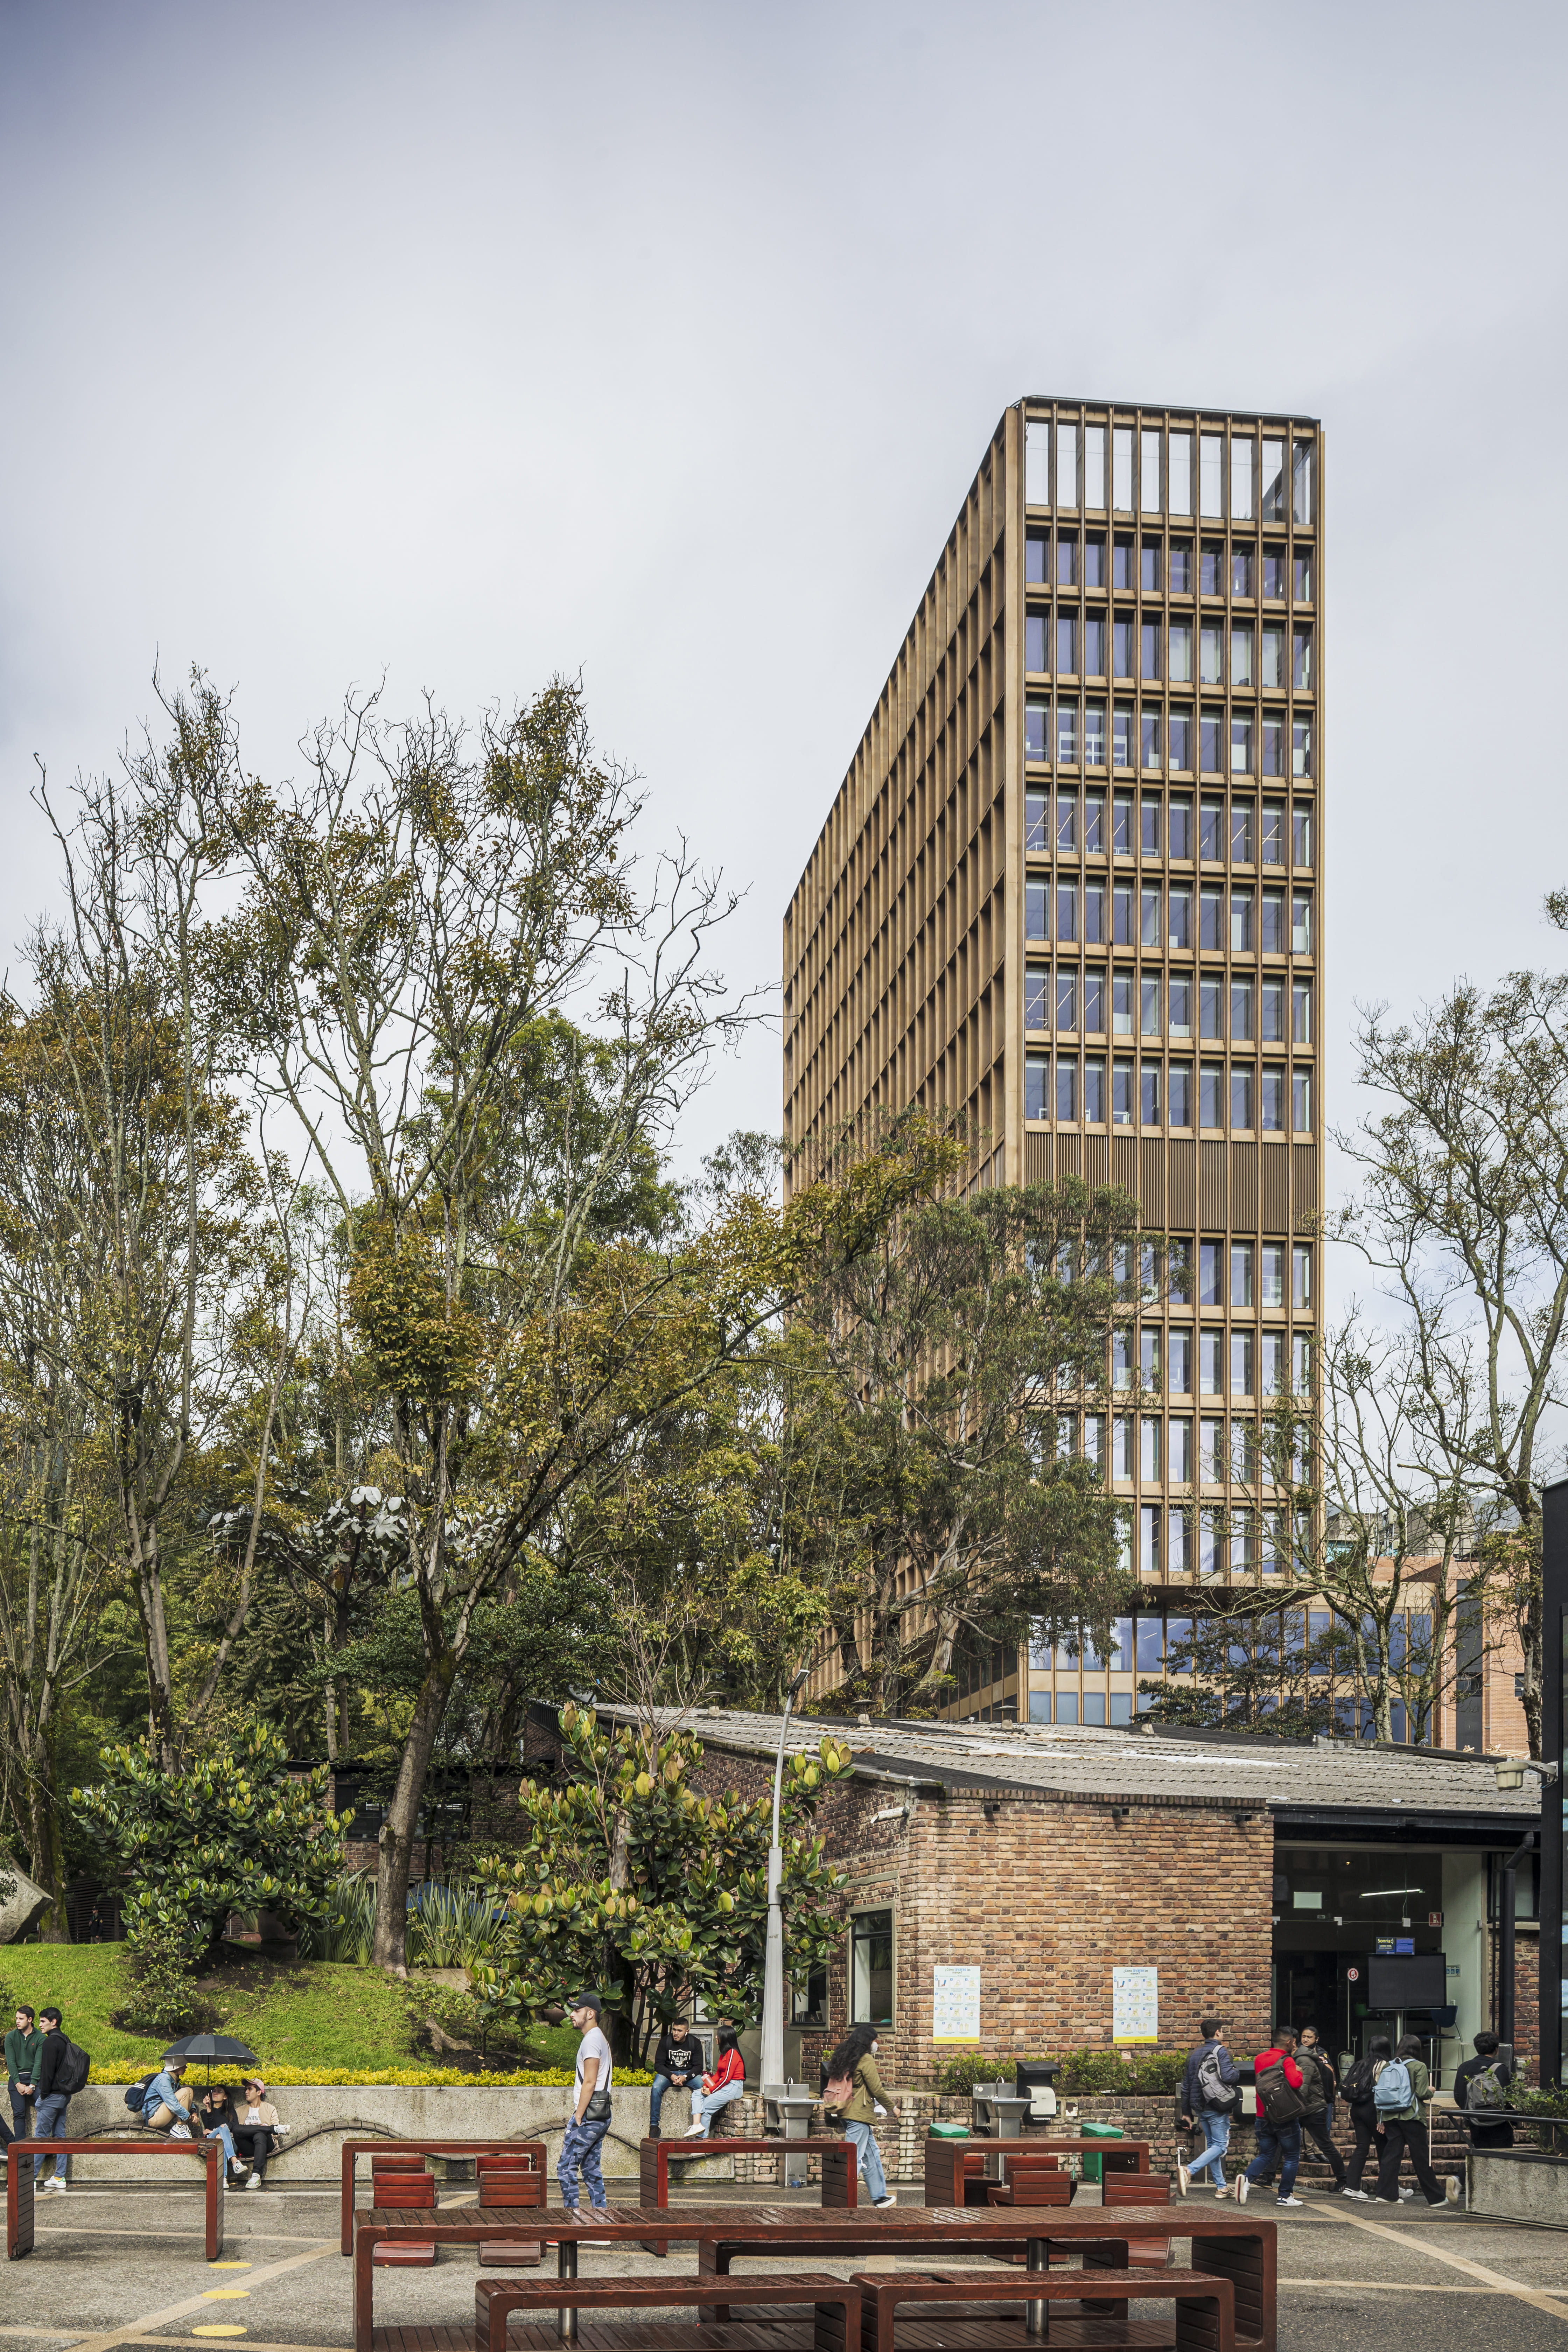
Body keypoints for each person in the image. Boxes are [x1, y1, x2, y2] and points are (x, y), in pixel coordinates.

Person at [822, 2022, 899, 2209]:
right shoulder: (865, 2059)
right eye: (875, 2041)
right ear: (868, 2042)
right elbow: (876, 2089)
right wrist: (893, 2108)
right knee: (854, 2157)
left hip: (847, 2112)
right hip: (858, 2114)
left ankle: (880, 2197)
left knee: (871, 2155)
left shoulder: (847, 2057)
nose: (876, 2044)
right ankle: (840, 2198)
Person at [1373, 2035, 1448, 2209]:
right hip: (1412, 2116)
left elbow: (1381, 2094)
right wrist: (1431, 2091)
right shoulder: (1419, 2066)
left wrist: (1381, 2119)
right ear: (1417, 2049)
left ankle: (1386, 2194)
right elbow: (1422, 2094)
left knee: (1391, 2156)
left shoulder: (1389, 2066)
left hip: (1391, 2116)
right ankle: (1436, 2198)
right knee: (1421, 2157)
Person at [1236, 2026, 1306, 2211]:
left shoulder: (1260, 2059)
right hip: (1284, 2117)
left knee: (1266, 2154)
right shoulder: (1287, 2060)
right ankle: (1285, 2196)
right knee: (1291, 2156)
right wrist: (1299, 2071)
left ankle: (1245, 2181)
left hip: (1262, 2115)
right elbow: (1296, 2083)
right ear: (1290, 2042)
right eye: (1294, 2042)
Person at [558, 1992, 614, 2216]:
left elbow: (590, 2082)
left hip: (589, 2115)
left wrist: (578, 2116)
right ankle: (601, 2223)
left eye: (577, 2010)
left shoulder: (591, 2040)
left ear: (590, 2014)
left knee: (565, 2169)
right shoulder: (599, 2037)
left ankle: (572, 2224)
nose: (572, 2014)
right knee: (591, 2170)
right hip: (601, 2113)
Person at [1176, 2017, 1241, 2198]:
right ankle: (1189, 2171)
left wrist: (1187, 2113)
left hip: (1200, 2107)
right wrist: (1237, 2071)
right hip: (1216, 2104)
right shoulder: (1220, 2051)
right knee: (1220, 2147)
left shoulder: (1194, 2054)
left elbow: (1186, 2085)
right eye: (1223, 2031)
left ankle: (1221, 2188)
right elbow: (1229, 2077)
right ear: (1218, 2032)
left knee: (1213, 2145)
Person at [1294, 2028, 1348, 2192]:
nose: (1306, 2039)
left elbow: (1304, 2088)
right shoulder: (1307, 2057)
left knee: (1324, 2141)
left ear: (1317, 2039)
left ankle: (1342, 2179)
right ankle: (1311, 2152)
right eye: (1304, 2037)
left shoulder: (1308, 2059)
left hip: (1312, 2105)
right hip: (1315, 2104)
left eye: (1309, 2037)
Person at [1340, 2035, 1391, 2199]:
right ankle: (1389, 2187)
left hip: (1357, 2110)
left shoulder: (1360, 2064)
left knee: (1362, 2147)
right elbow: (1384, 2094)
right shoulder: (1385, 2066)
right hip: (1374, 2110)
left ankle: (1352, 2186)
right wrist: (1382, 2119)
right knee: (1384, 2148)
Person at [31, 2008, 73, 2191]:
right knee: (60, 2136)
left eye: (42, 2021)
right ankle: (59, 2177)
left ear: (53, 2022)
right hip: (64, 2095)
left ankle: (29, 2179)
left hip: (52, 2096)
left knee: (41, 2137)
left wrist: (43, 2096)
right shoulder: (66, 2040)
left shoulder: (50, 2043)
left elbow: (46, 2073)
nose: (39, 2025)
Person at [1454, 2031, 1514, 2152]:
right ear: (1497, 2049)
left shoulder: (1464, 2067)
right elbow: (1508, 2097)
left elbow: (1458, 2095)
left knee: (1480, 2156)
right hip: (1499, 2124)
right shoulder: (1500, 2069)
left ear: (1477, 2048)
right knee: (1502, 2158)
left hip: (1475, 2122)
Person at [684, 2027, 746, 2138]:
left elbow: (727, 2078)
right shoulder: (724, 2054)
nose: (716, 2037)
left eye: (719, 2035)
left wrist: (711, 2090)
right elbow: (718, 2075)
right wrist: (705, 2086)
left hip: (734, 2086)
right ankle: (697, 2125)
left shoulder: (733, 2053)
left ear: (725, 2038)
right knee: (697, 2094)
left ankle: (701, 2143)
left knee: (706, 2107)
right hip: (726, 2085)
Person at [648, 2018, 699, 2138]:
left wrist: (685, 2077)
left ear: (687, 2031)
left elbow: (698, 2067)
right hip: (669, 2073)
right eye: (674, 2030)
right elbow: (658, 2065)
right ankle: (654, 2126)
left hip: (688, 2074)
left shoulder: (694, 2043)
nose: (676, 2033)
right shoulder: (665, 2041)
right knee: (656, 2086)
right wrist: (671, 2076)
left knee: (703, 2086)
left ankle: (701, 2123)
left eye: (680, 2031)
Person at [230, 2077, 283, 2190]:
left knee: (259, 2135)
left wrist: (257, 2131)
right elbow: (237, 2131)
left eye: (250, 2089)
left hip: (266, 2144)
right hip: (248, 2147)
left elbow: (276, 2135)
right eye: (246, 2089)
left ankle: (256, 2175)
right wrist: (262, 2128)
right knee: (236, 2129)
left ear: (259, 2092)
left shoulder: (270, 2109)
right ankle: (267, 2129)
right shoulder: (240, 2110)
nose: (246, 2092)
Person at [6, 2004, 40, 2147]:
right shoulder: (11, 2037)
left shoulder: (40, 2038)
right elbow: (11, 2063)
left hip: (35, 2078)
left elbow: (39, 2064)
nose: (17, 2021)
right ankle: (21, 2148)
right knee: (19, 2114)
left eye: (21, 2019)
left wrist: (32, 2085)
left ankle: (43, 2144)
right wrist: (17, 2083)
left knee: (44, 2108)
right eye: (16, 2018)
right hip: (17, 2079)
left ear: (30, 2020)